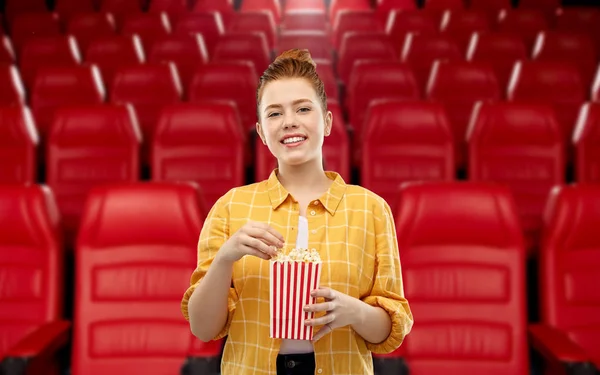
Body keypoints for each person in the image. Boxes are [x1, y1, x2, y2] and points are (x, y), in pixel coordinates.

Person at [181, 49, 413, 375]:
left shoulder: (371, 209)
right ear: (262, 133)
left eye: (303, 109)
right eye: (274, 114)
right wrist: (225, 258)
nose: (290, 121)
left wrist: (354, 313)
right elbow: (203, 329)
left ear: (328, 122)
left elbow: (393, 330)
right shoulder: (231, 207)